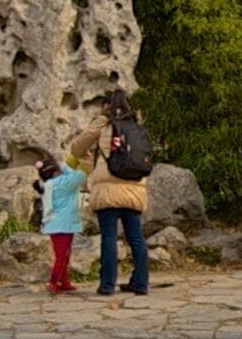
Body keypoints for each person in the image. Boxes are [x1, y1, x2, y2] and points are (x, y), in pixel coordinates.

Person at [71, 98, 155, 302]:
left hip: (108, 191)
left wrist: (99, 123)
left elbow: (76, 148)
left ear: (107, 107)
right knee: (136, 237)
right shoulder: (137, 126)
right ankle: (141, 283)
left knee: (109, 237)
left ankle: (107, 285)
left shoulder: (103, 124)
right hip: (134, 189)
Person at [35, 146, 86, 296]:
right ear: (56, 171)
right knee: (62, 256)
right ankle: (54, 282)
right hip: (63, 224)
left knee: (64, 254)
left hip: (55, 224)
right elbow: (81, 176)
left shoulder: (49, 185)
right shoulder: (62, 182)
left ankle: (64, 281)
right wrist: (66, 166)